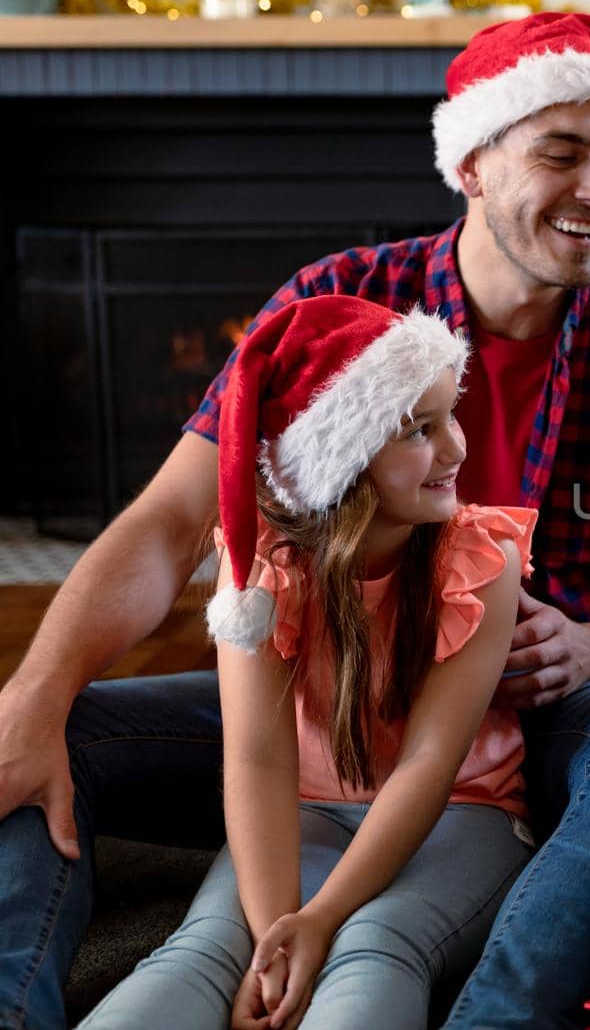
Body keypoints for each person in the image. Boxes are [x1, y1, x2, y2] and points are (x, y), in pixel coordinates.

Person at [0, 12, 590, 1030]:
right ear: (473, 163)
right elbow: (172, 524)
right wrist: (33, 689)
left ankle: (496, 1014)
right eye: (561, 153)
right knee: (38, 729)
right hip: (308, 705)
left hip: (512, 728)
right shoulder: (340, 301)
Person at [79, 295, 533, 1029]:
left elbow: (429, 763)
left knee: (375, 945)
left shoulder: (483, 559)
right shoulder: (261, 567)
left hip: (460, 809)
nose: (456, 449)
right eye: (421, 429)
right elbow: (257, 759)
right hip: (308, 806)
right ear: (344, 459)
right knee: (206, 950)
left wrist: (318, 920)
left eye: (451, 415)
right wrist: (272, 935)